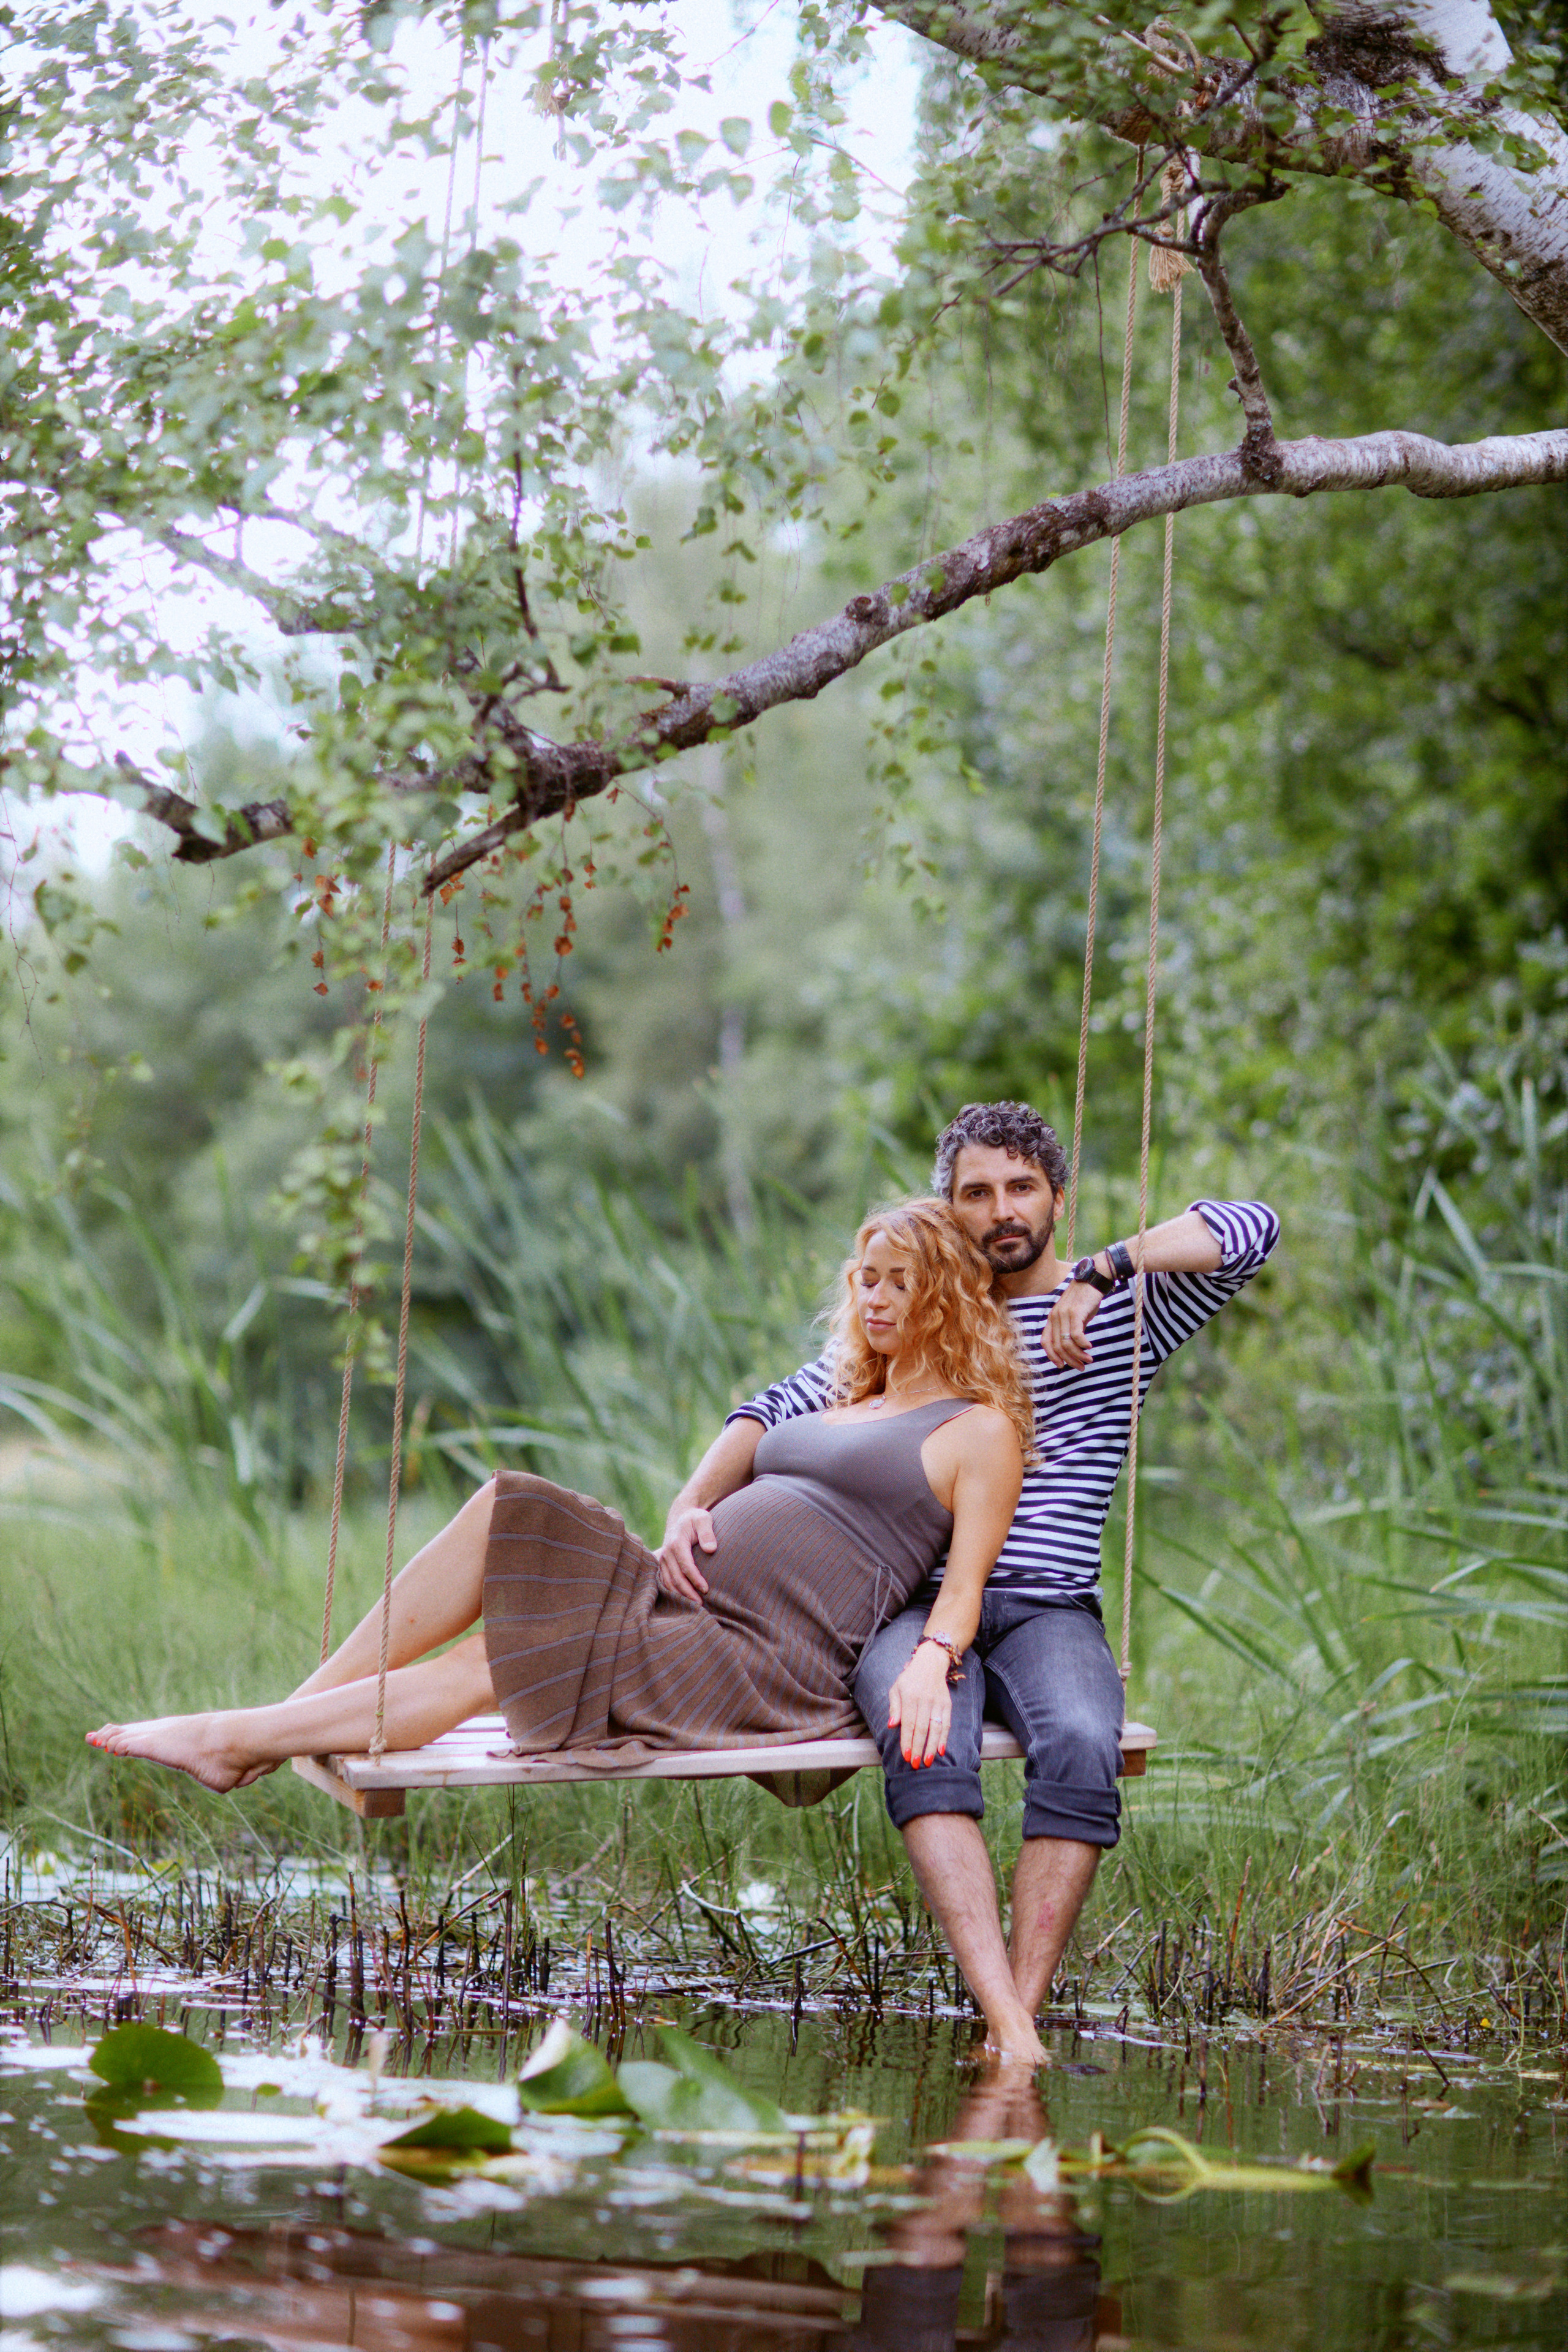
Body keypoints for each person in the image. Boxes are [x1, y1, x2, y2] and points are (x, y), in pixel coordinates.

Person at [88, 1196, 1049, 2053]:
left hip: (755, 1660)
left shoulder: (977, 1428)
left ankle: (231, 1740)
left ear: (947, 1294)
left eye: (900, 1282)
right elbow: (738, 1461)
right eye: (866, 1280)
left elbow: (963, 1585)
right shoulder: (847, 1397)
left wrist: (932, 1660)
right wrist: (692, 1514)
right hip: (679, 1604)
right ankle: (303, 1707)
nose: (875, 1300)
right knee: (511, 1503)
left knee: (495, 1660)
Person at [662, 1100, 1280, 2050]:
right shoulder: (918, 1315)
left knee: (1082, 1739)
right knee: (924, 1745)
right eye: (976, 1193)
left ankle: (1013, 2021)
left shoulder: (1123, 1314)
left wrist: (1107, 1271)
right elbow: (774, 1405)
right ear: (949, 1211)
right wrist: (689, 1503)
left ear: (1057, 1201)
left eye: (1021, 1188)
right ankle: (1003, 2013)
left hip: (1045, 1607)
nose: (1001, 1210)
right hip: (913, 1604)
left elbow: (1251, 1228)